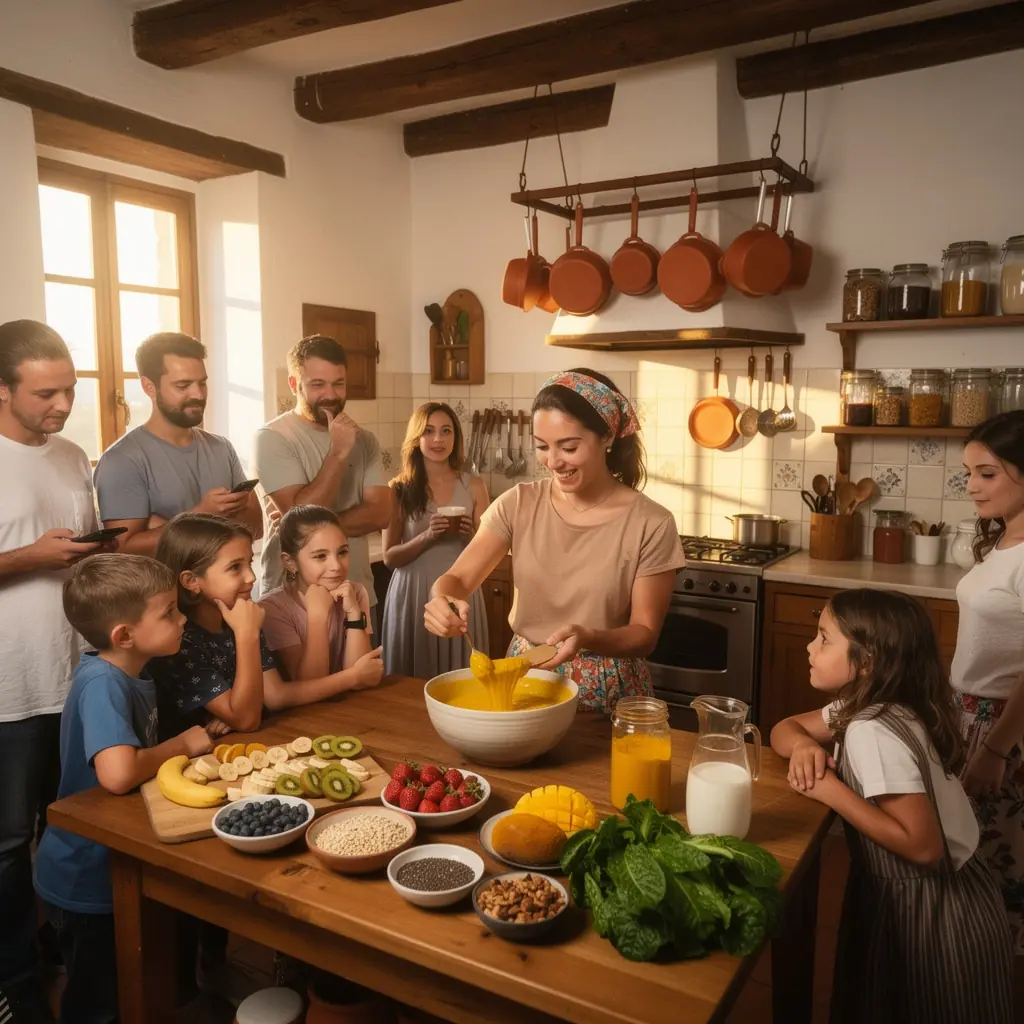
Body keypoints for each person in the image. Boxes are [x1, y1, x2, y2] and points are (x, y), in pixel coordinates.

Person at [770, 588, 1014, 1024]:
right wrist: (803, 746)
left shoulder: (871, 730)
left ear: (866, 661)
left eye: (824, 638)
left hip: (936, 913)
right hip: (945, 897)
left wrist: (829, 790)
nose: (809, 647)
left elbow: (924, 846)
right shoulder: (875, 702)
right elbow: (783, 728)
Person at [423, 369, 684, 713]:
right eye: (542, 447)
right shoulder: (518, 503)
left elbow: (644, 633)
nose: (554, 461)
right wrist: (442, 599)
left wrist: (590, 637)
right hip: (525, 676)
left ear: (607, 436)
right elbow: (458, 578)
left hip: (609, 692)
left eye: (569, 447)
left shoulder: (652, 522)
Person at [33, 554, 218, 1024]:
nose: (182, 620)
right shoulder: (103, 683)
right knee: (97, 1006)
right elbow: (117, 774)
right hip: (86, 873)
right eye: (169, 613)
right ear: (124, 636)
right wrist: (183, 744)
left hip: (111, 862)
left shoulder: (134, 671)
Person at [0, 319, 107, 1022]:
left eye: (68, 390)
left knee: (71, 825)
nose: (63, 405)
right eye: (45, 394)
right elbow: (32, 554)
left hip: (76, 675)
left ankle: (64, 946)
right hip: (9, 690)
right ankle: (16, 979)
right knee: (9, 845)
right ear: (2, 389)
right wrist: (30, 558)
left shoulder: (71, 455)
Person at [150, 513, 380, 740]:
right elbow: (247, 720)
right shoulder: (181, 639)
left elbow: (275, 696)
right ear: (191, 581)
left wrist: (241, 710)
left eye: (249, 563)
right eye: (235, 567)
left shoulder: (243, 614)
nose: (251, 577)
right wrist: (353, 677)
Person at [252, 335, 389, 630]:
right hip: (292, 602)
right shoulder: (272, 438)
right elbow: (299, 517)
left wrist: (309, 526)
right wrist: (338, 452)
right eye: (317, 384)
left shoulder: (364, 440)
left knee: (366, 663)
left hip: (358, 594)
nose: (330, 394)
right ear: (294, 384)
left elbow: (381, 513)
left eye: (338, 384)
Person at [952, 410, 1024, 963]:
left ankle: (992, 989)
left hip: (1004, 731)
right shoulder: (1003, 541)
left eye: (987, 473)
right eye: (969, 473)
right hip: (970, 718)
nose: (972, 486)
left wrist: (996, 749)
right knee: (968, 861)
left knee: (997, 875)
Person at [94, 331, 262, 555]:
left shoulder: (222, 448)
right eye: (183, 386)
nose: (198, 394)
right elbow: (124, 549)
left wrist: (166, 525)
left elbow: (256, 526)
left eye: (202, 383)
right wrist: (202, 515)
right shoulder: (121, 460)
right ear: (149, 387)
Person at [381, 403, 489, 678]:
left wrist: (469, 535)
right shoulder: (398, 489)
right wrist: (427, 536)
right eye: (428, 431)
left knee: (462, 678)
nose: (438, 439)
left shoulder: (475, 485)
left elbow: (488, 551)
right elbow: (389, 557)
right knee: (411, 682)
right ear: (416, 438)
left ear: (456, 437)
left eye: (446, 431)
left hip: (461, 590)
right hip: (413, 592)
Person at [259, 504, 383, 688]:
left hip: (350, 702)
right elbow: (309, 684)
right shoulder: (273, 608)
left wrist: (354, 614)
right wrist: (317, 617)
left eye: (342, 552)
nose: (336, 566)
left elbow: (361, 681)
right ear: (290, 562)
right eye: (320, 556)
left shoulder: (355, 593)